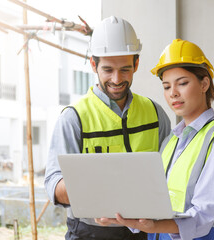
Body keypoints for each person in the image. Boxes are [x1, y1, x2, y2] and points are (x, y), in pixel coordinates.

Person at [95, 39, 214, 240]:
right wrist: (120, 216)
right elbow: (157, 204)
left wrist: (153, 226)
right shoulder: (171, 141)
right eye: (166, 86)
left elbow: (202, 216)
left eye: (182, 83)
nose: (173, 93)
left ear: (204, 83)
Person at [44, 16, 171, 240]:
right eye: (108, 69)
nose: (116, 79)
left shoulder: (155, 114)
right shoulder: (74, 118)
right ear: (93, 65)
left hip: (144, 233)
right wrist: (96, 199)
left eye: (125, 69)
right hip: (89, 233)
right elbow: (54, 187)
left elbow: (171, 174)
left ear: (136, 64)